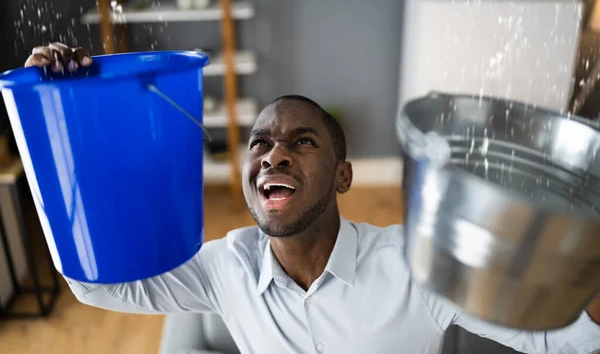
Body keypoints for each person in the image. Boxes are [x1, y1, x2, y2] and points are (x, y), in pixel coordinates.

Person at [25, 43, 600, 354]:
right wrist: (64, 121)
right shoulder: (226, 266)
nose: (273, 156)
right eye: (261, 145)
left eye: (302, 142)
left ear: (344, 175)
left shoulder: (416, 267)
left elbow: (563, 341)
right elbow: (95, 283)